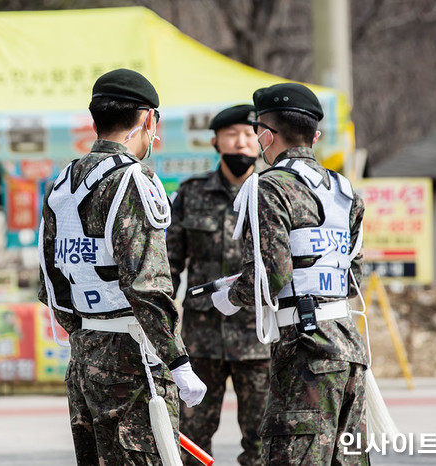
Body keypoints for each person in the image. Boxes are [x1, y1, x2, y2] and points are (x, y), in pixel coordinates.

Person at [38, 68, 206, 465]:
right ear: (148, 119)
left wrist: (84, 334)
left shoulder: (63, 181)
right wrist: (178, 360)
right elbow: (147, 284)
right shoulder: (133, 180)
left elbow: (50, 277)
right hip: (134, 359)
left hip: (84, 357)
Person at [210, 83, 369, 464]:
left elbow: (273, 275)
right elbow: (352, 278)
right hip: (347, 344)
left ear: (266, 134)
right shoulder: (345, 190)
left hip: (304, 350)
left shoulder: (269, 187)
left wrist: (231, 295)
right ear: (315, 135)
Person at [166, 104, 271, 465]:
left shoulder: (272, 194)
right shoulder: (191, 194)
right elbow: (169, 264)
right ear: (215, 141)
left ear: (261, 141)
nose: (241, 143)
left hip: (259, 338)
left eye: (249, 134)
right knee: (191, 439)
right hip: (201, 339)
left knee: (263, 439)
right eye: (232, 135)